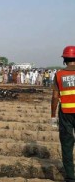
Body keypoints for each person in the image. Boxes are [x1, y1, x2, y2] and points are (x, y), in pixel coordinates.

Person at [51, 46, 75, 182]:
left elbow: (55, 97)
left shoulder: (59, 75)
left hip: (65, 113)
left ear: (64, 59)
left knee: (67, 144)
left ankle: (71, 178)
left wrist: (53, 116)